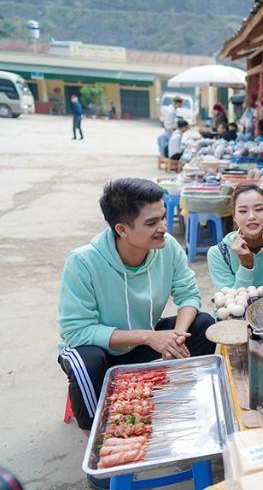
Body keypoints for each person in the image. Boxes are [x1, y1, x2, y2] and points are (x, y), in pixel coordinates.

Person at [57, 178, 216, 436]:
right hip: (105, 350)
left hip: (143, 342)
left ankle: (181, 404)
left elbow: (188, 295)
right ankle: (97, 441)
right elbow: (76, 332)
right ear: (122, 229)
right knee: (84, 362)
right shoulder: (82, 263)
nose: (163, 227)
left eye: (164, 217)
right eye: (152, 223)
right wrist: (149, 336)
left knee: (204, 324)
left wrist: (177, 335)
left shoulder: (168, 248)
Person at [207, 184, 263, 290]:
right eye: (243, 211)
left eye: (259, 209)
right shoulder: (219, 254)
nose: (252, 216)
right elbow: (227, 301)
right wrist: (246, 266)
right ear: (235, 217)